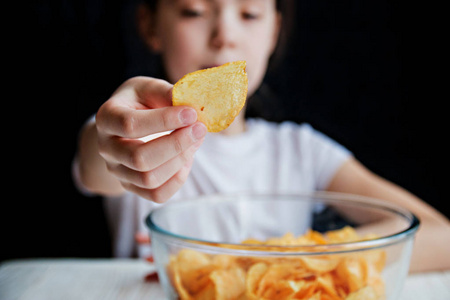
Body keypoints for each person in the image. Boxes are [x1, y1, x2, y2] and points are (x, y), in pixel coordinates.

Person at [73, 0, 450, 273]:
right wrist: (113, 137)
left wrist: (279, 257)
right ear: (150, 25)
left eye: (250, 13)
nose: (226, 36)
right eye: (194, 11)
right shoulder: (138, 129)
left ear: (274, 31)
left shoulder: (301, 151)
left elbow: (440, 236)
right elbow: (99, 162)